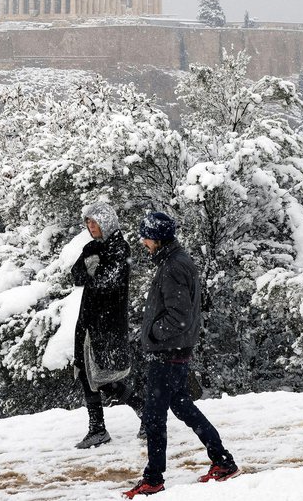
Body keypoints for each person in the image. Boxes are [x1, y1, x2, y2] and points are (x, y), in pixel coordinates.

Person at [123, 212, 238, 498]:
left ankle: (153, 479)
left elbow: (179, 316)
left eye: (146, 236)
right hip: (174, 351)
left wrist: (152, 334)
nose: (143, 242)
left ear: (158, 238)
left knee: (154, 417)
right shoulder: (174, 261)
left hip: (167, 352)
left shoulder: (173, 266)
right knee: (183, 407)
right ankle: (222, 461)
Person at [70, 201, 144, 449]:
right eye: (88, 222)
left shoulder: (119, 248)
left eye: (95, 222)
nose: (91, 227)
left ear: (107, 222)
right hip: (88, 320)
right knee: (86, 373)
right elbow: (76, 275)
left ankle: (142, 410)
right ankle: (98, 428)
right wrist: (92, 266)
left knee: (104, 376)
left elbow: (105, 282)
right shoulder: (92, 247)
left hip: (107, 322)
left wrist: (93, 267)